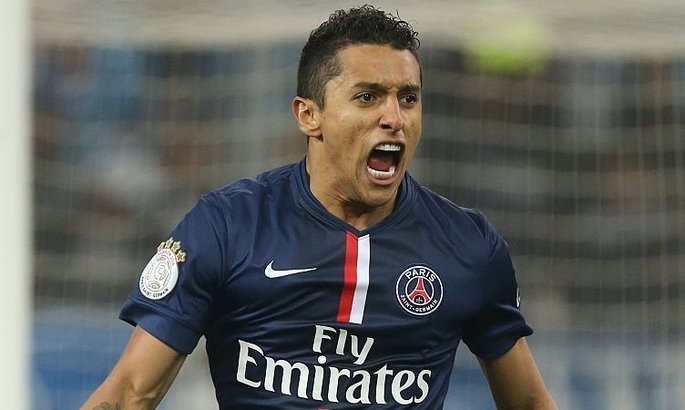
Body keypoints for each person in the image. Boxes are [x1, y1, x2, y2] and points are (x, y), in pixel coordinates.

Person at [82, 5, 558, 409]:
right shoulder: (227, 226)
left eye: (408, 98)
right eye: (368, 97)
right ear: (309, 115)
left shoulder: (469, 246)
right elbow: (129, 393)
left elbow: (530, 402)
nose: (393, 117)